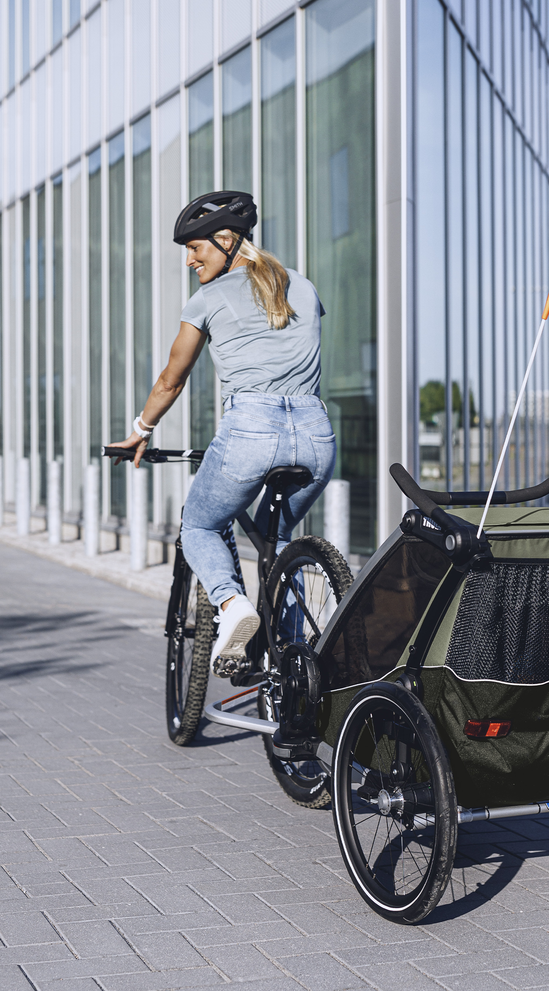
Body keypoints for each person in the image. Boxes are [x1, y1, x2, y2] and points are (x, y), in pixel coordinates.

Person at [109, 190, 336, 667]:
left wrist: (141, 428)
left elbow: (172, 379)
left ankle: (232, 606)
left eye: (196, 247)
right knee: (275, 546)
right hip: (316, 435)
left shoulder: (208, 297)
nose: (190, 259)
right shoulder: (304, 286)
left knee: (200, 524)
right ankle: (293, 654)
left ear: (227, 240)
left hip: (251, 431)